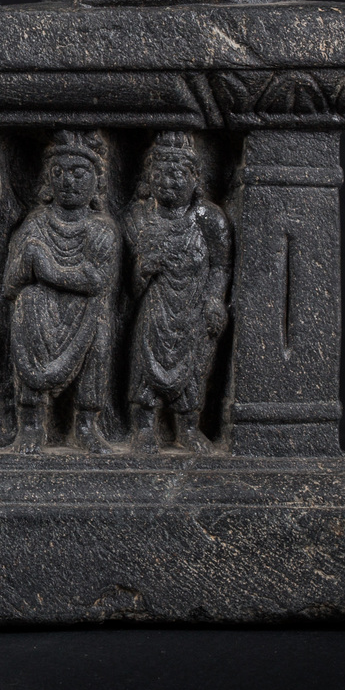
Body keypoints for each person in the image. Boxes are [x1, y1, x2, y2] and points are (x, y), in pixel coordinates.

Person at [5, 131, 119, 454]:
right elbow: (10, 284)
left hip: (85, 312)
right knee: (28, 302)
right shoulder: (35, 223)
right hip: (41, 311)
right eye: (59, 173)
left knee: (100, 330)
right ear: (48, 180)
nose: (68, 181)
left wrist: (47, 269)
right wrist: (28, 262)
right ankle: (31, 424)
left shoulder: (102, 228)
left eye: (78, 173)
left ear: (97, 181)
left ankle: (86, 424)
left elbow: (97, 282)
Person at [123, 131, 232, 453]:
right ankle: (144, 427)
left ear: (194, 178)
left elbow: (220, 266)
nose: (168, 182)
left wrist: (214, 299)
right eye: (160, 174)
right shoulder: (139, 218)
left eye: (177, 174)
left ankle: (188, 427)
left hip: (194, 305)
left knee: (195, 367)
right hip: (155, 306)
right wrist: (144, 269)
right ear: (149, 178)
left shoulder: (209, 219)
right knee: (146, 362)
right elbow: (125, 284)